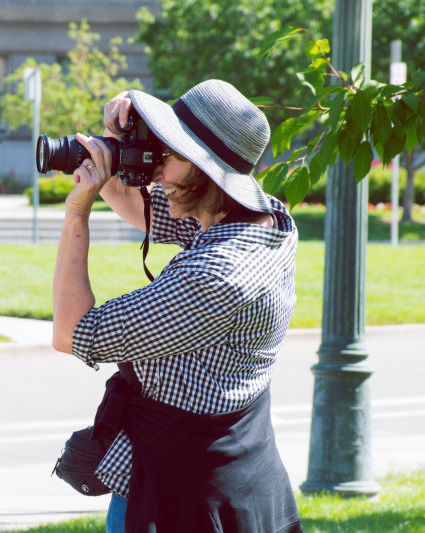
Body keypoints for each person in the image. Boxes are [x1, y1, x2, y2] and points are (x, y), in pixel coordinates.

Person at [51, 79, 303, 533]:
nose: (157, 172)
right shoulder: (263, 219)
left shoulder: (214, 276)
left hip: (184, 493)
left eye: (169, 156)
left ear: (208, 172)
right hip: (241, 473)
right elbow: (138, 207)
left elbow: (70, 332)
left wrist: (77, 212)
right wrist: (119, 150)